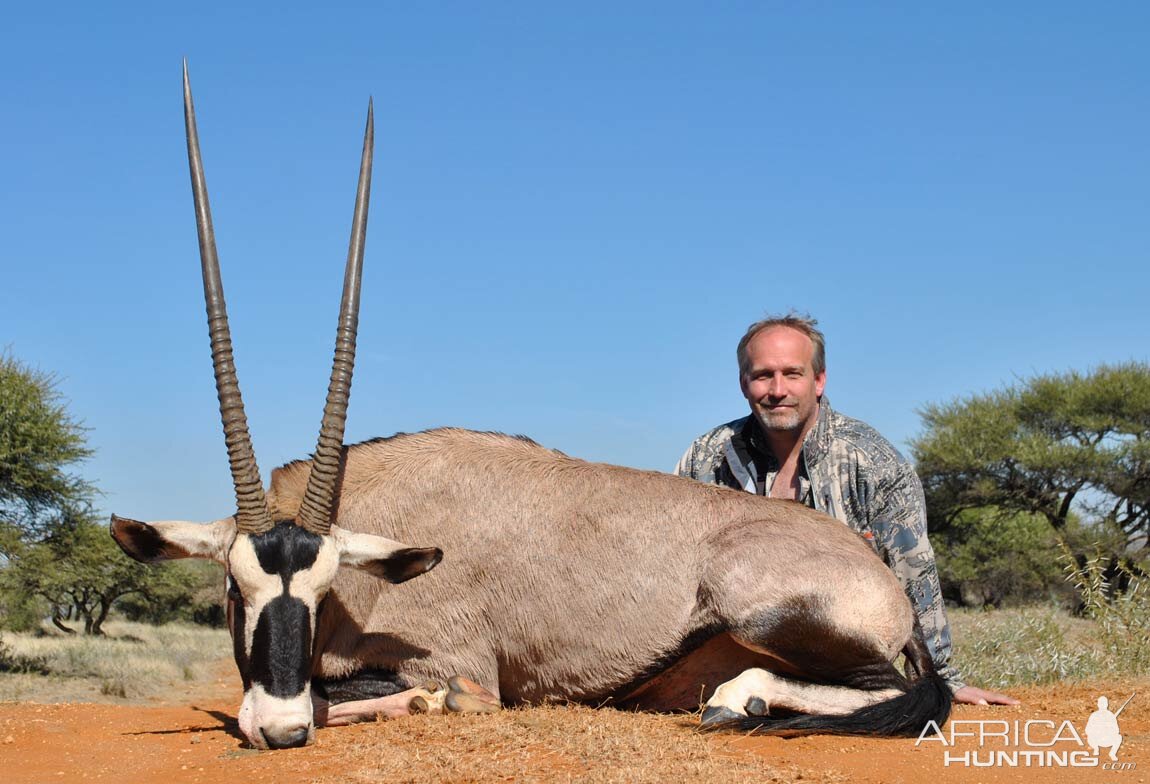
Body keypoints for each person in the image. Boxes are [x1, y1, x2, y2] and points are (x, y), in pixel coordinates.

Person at [675, 313, 1017, 706]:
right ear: (743, 384)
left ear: (819, 381)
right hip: (731, 653)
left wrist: (941, 679)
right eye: (763, 375)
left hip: (841, 652)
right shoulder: (706, 457)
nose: (777, 389)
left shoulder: (874, 462)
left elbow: (914, 570)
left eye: (792, 374)